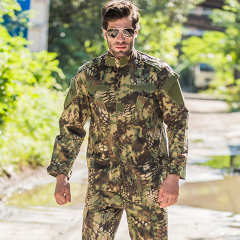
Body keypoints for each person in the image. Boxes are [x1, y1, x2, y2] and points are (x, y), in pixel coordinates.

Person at [47, 0, 189, 239]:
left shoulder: (158, 73)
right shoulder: (89, 76)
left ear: (136, 30)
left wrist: (173, 176)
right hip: (102, 185)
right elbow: (71, 126)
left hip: (148, 186)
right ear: (104, 32)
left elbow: (178, 122)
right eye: (113, 32)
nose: (120, 38)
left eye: (127, 31)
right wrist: (62, 175)